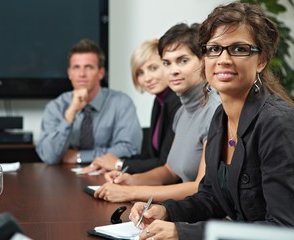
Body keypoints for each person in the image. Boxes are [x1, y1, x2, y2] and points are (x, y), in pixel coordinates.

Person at [130, 2, 294, 240]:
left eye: (239, 49)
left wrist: (182, 232)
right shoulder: (220, 118)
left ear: (261, 60)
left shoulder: (277, 123)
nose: (223, 59)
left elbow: (284, 229)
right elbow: (212, 198)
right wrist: (166, 211)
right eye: (214, 49)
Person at [93, 23, 221, 203]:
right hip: (184, 211)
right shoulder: (182, 112)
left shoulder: (216, 111)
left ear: (203, 60)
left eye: (183, 60)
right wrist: (130, 180)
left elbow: (200, 187)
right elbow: (169, 171)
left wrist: (132, 193)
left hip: (202, 218)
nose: (173, 70)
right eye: (167, 63)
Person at [81, 39, 181, 174]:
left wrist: (118, 164)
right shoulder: (159, 101)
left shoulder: (178, 102)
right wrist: (109, 162)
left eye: (153, 68)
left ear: (167, 65)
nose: (147, 78)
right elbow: (151, 156)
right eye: (140, 73)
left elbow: (165, 163)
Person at [36, 39, 143, 165]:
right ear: (69, 73)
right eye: (76, 68)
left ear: (101, 73)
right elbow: (49, 156)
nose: (82, 74)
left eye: (89, 67)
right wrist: (71, 113)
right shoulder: (55, 107)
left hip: (109, 178)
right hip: (64, 179)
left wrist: (80, 156)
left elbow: (129, 148)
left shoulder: (121, 103)